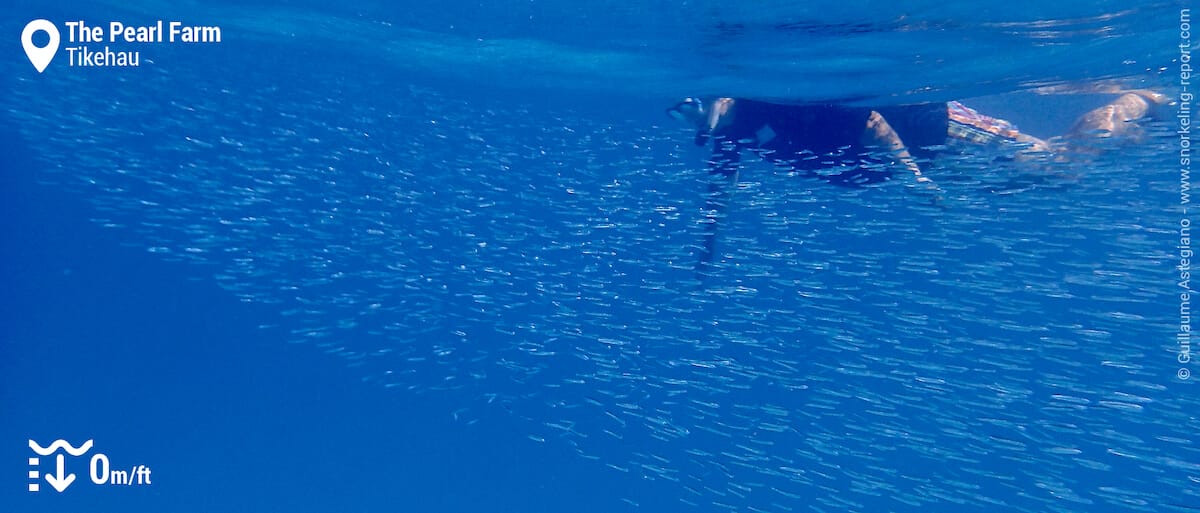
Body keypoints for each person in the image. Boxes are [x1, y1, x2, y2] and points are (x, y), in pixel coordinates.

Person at [666, 91, 1169, 268]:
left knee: (1062, 169)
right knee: (1051, 182)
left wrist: (917, 185)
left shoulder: (769, 104)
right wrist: (709, 245)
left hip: (939, 133)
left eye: (697, 104)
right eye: (681, 110)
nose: (691, 115)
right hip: (927, 163)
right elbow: (720, 188)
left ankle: (1132, 103)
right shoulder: (732, 135)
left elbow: (872, 125)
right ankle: (1132, 135)